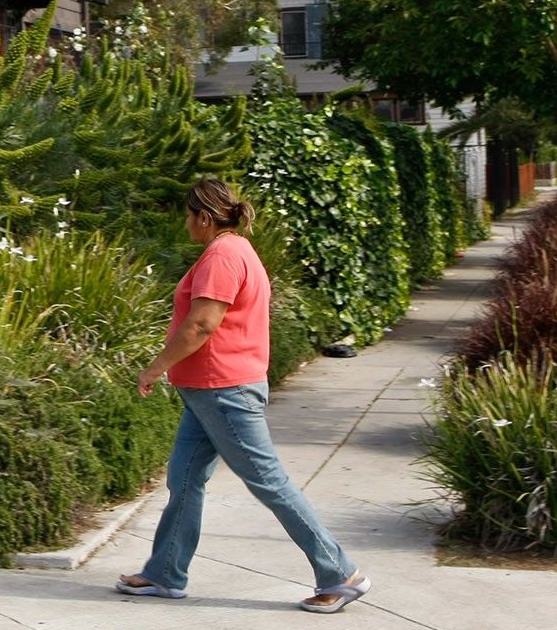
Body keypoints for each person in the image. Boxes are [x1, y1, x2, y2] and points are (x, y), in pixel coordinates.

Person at [116, 179, 370, 615]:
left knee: (269, 483)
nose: (185, 223)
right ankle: (165, 573)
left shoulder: (222, 255)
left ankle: (338, 573)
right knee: (184, 480)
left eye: (188, 215)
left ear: (205, 217)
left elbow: (201, 325)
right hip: (208, 392)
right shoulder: (236, 251)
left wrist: (155, 367)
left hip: (224, 392)